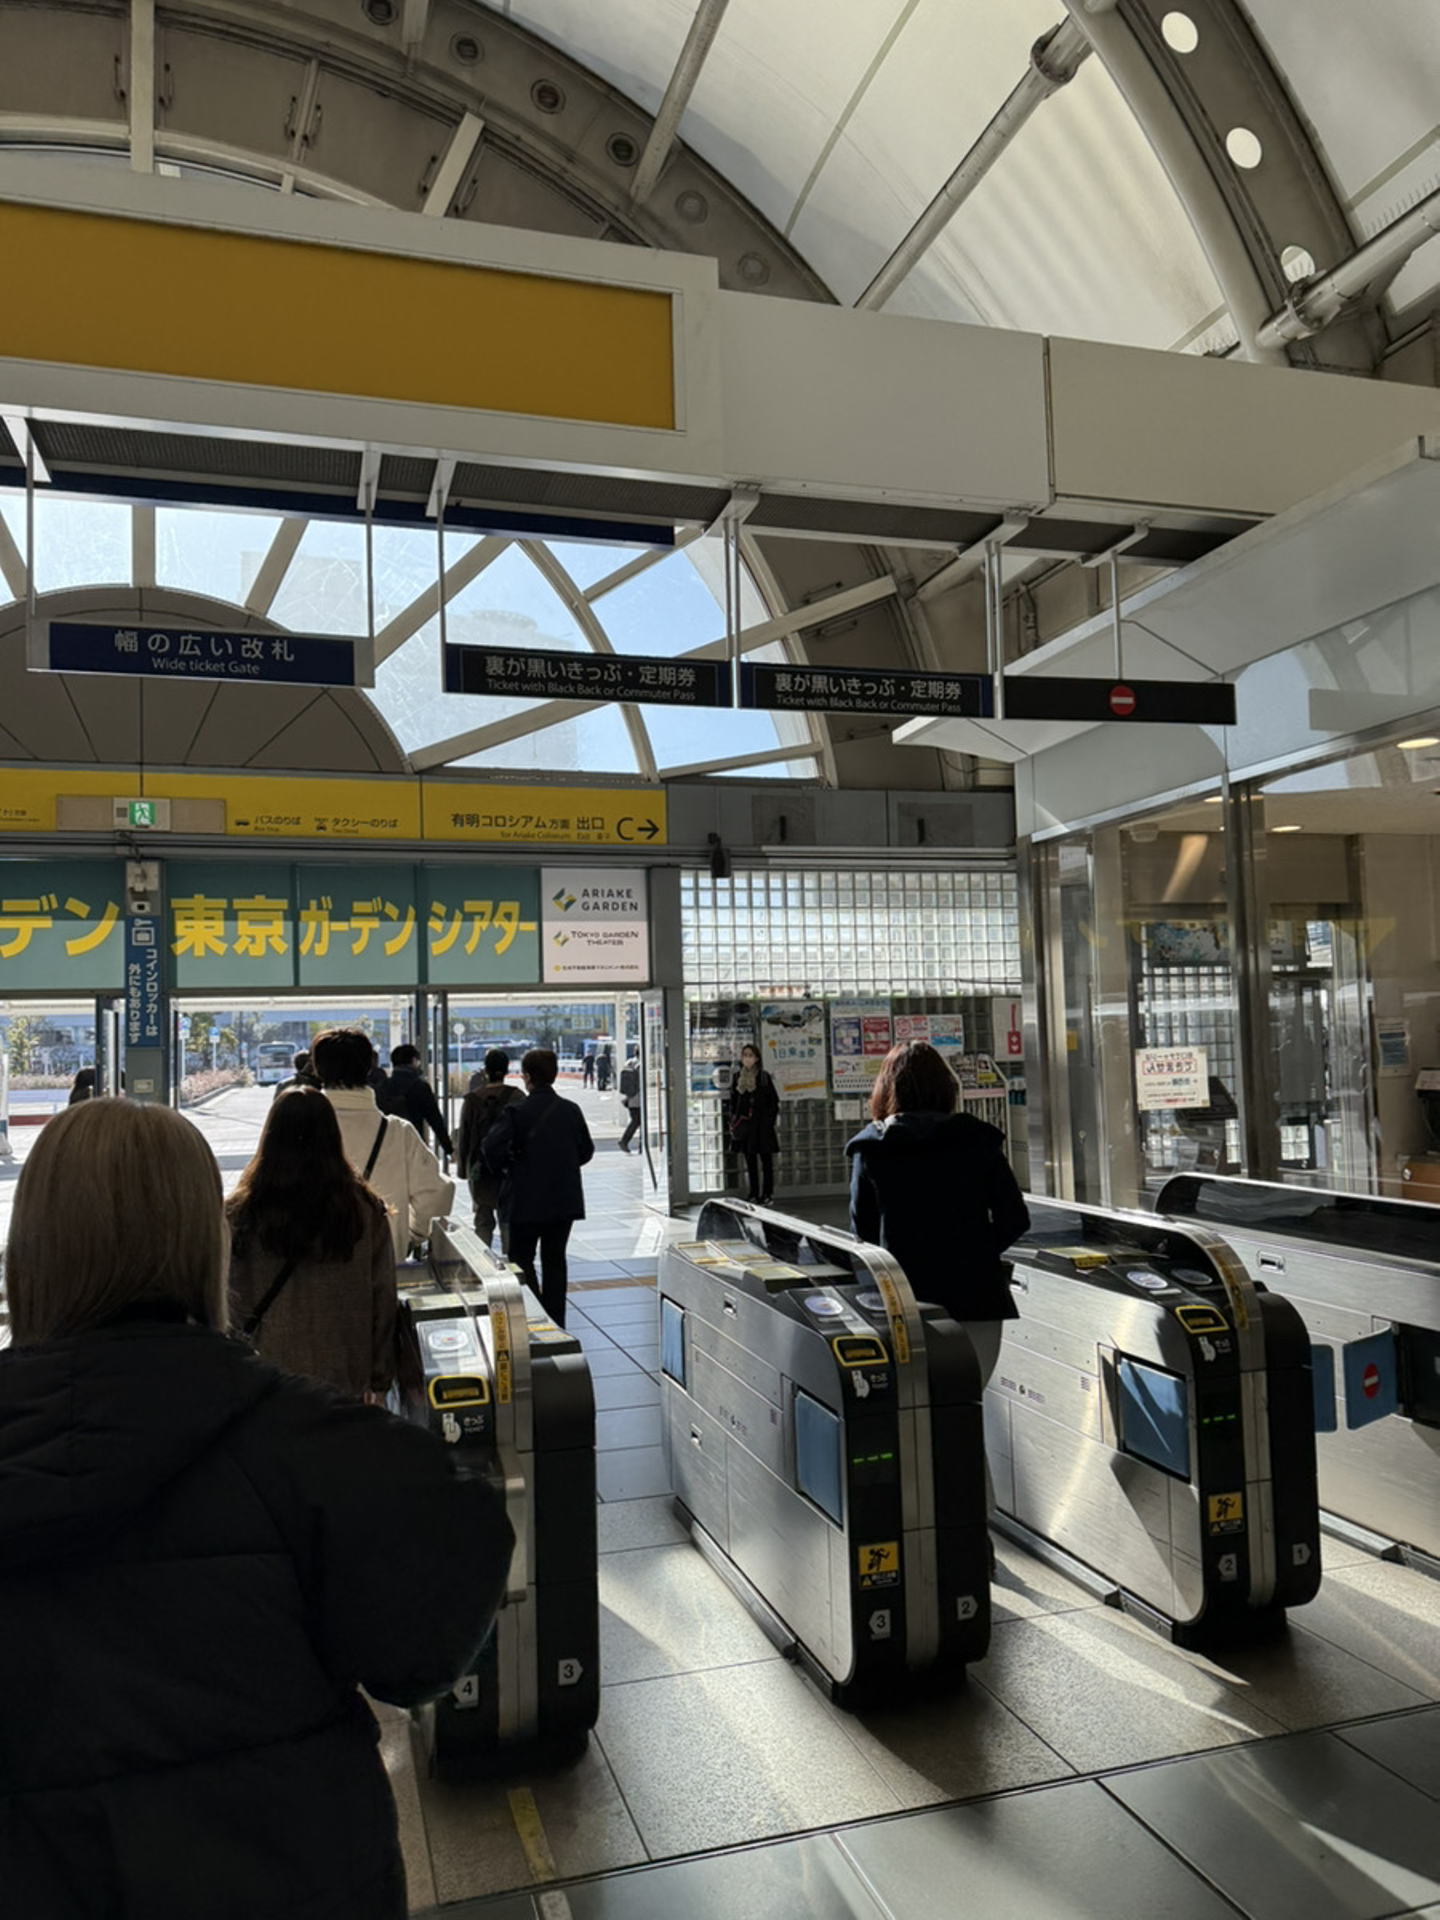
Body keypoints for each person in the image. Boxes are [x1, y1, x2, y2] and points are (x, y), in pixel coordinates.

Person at [0, 1097, 512, 1920]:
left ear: (27, 1250)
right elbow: (432, 1627)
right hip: (293, 1870)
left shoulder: (253, 1218)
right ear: (199, 1243)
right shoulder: (314, 1454)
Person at [845, 1039, 1030, 1391]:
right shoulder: (978, 1140)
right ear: (946, 1087)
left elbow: (862, 1233)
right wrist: (976, 1251)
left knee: (914, 1405)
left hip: (903, 1300)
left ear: (886, 1088)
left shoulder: (871, 1149)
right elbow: (1015, 1219)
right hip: (977, 1296)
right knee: (968, 1400)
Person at [227, 1086, 397, 1399]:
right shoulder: (364, 1211)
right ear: (333, 1138)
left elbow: (226, 1303)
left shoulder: (240, 1213)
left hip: (263, 1383)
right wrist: (380, 1378)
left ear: (270, 1138)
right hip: (343, 1382)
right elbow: (383, 1299)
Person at [311, 1027, 454, 1263]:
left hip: (313, 1269)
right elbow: (436, 1193)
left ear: (317, 1068)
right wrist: (410, 1235)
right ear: (369, 1067)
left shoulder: (299, 1127)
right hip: (383, 1265)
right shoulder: (399, 1132)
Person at [482, 1047, 593, 1327]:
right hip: (563, 1198)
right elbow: (586, 1150)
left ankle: (534, 1316)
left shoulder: (515, 1112)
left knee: (521, 1259)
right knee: (555, 1261)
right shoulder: (570, 1110)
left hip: (524, 1198)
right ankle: (556, 1321)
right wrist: (563, 1165)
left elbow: (490, 1148)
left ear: (528, 1077)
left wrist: (507, 1167)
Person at [455, 1047, 524, 1249]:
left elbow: (464, 1138)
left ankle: (482, 1260)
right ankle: (512, 1260)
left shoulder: (472, 1100)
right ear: (507, 1069)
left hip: (480, 1169)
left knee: (482, 1220)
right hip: (509, 1169)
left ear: (485, 1070)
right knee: (508, 1220)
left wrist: (463, 1171)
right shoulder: (517, 1097)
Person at [728, 1042, 780, 1204]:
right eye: (745, 1055)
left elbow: (773, 1101)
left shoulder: (763, 1077)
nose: (747, 1059)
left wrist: (769, 1122)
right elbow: (733, 1100)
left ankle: (767, 1193)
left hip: (762, 1125)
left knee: (766, 1161)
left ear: (757, 1058)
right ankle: (753, 1193)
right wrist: (734, 1118)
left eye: (750, 1055)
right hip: (746, 1125)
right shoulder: (737, 1077)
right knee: (750, 1161)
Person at [380, 1042, 453, 1157]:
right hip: (414, 1145)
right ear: (414, 1060)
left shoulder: (383, 1086)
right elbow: (435, 1120)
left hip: (386, 1147)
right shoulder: (420, 1086)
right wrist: (448, 1148)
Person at [618, 1051, 642, 1153]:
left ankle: (639, 1144)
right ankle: (625, 1141)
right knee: (638, 1121)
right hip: (639, 1098)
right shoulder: (641, 1064)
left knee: (636, 1121)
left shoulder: (629, 1063)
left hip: (630, 1097)